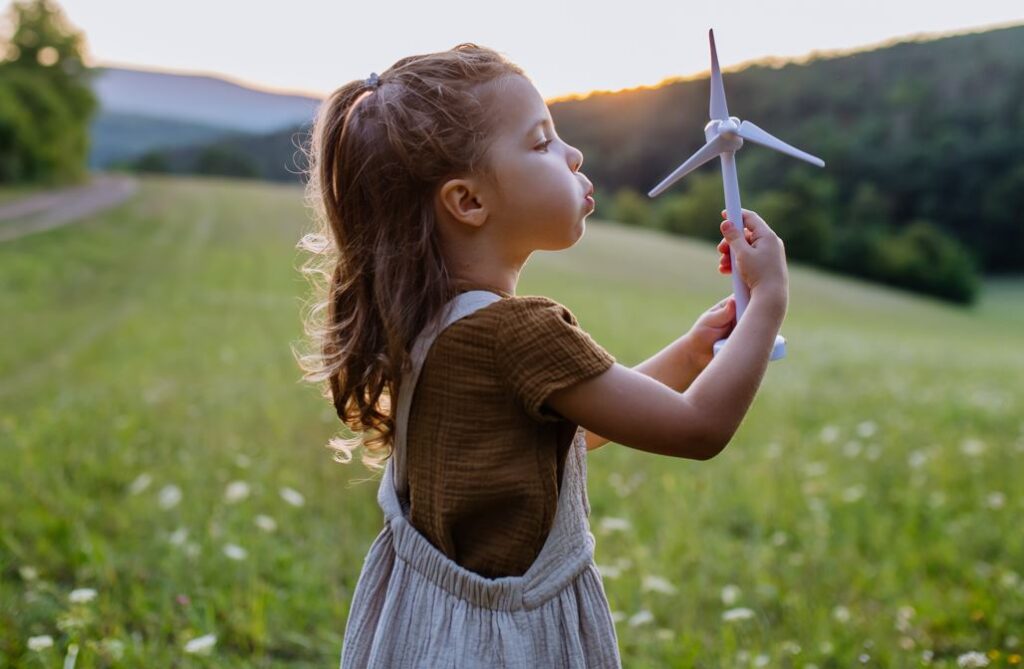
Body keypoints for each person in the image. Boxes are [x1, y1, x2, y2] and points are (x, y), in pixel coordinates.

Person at [294, 43, 788, 669]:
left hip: (426, 630)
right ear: (468, 202)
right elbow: (697, 429)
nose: (573, 153)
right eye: (541, 141)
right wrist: (769, 297)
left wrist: (695, 351)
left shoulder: (428, 323)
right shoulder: (519, 332)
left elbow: (570, 436)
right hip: (505, 646)